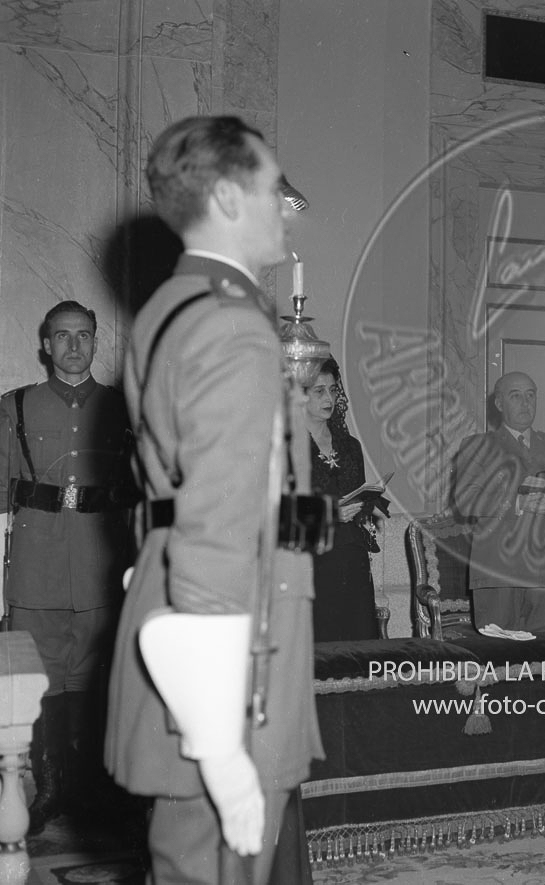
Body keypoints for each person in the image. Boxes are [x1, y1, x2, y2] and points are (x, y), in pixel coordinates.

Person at [105, 115, 323, 883]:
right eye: (272, 188)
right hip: (231, 663)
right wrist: (220, 744)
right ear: (228, 198)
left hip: (202, 636)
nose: (285, 204)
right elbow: (216, 530)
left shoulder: (173, 306)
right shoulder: (233, 327)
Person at [0, 300, 136, 834]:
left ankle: (88, 786)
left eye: (84, 335)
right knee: (40, 680)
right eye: (63, 336)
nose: (74, 346)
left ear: (96, 342)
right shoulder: (14, 409)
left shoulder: (122, 409)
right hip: (38, 568)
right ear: (45, 345)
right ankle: (51, 785)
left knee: (95, 678)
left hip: (104, 562)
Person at [450, 371, 545, 631]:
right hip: (498, 572)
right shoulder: (478, 445)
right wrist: (518, 502)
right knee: (499, 660)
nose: (525, 403)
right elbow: (465, 501)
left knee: (543, 663)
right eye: (516, 396)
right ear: (500, 404)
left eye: (530, 395)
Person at [304, 357, 387, 642]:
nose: (329, 398)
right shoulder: (286, 448)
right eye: (319, 391)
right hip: (311, 559)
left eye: (333, 390)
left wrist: (369, 503)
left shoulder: (350, 446)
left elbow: (357, 499)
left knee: (357, 642)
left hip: (351, 556)